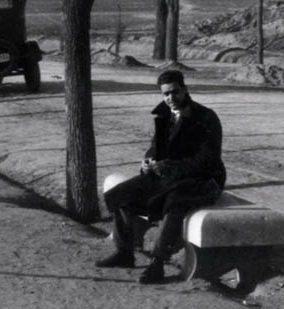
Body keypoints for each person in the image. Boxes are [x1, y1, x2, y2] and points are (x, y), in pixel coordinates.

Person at [96, 68, 225, 284]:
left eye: (175, 92)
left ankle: (157, 264)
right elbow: (157, 149)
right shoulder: (164, 115)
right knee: (121, 194)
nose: (170, 98)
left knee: (174, 202)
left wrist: (170, 166)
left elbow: (208, 159)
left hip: (204, 179)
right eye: (165, 94)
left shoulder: (206, 117)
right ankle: (125, 252)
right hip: (169, 175)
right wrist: (147, 162)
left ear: (185, 89)